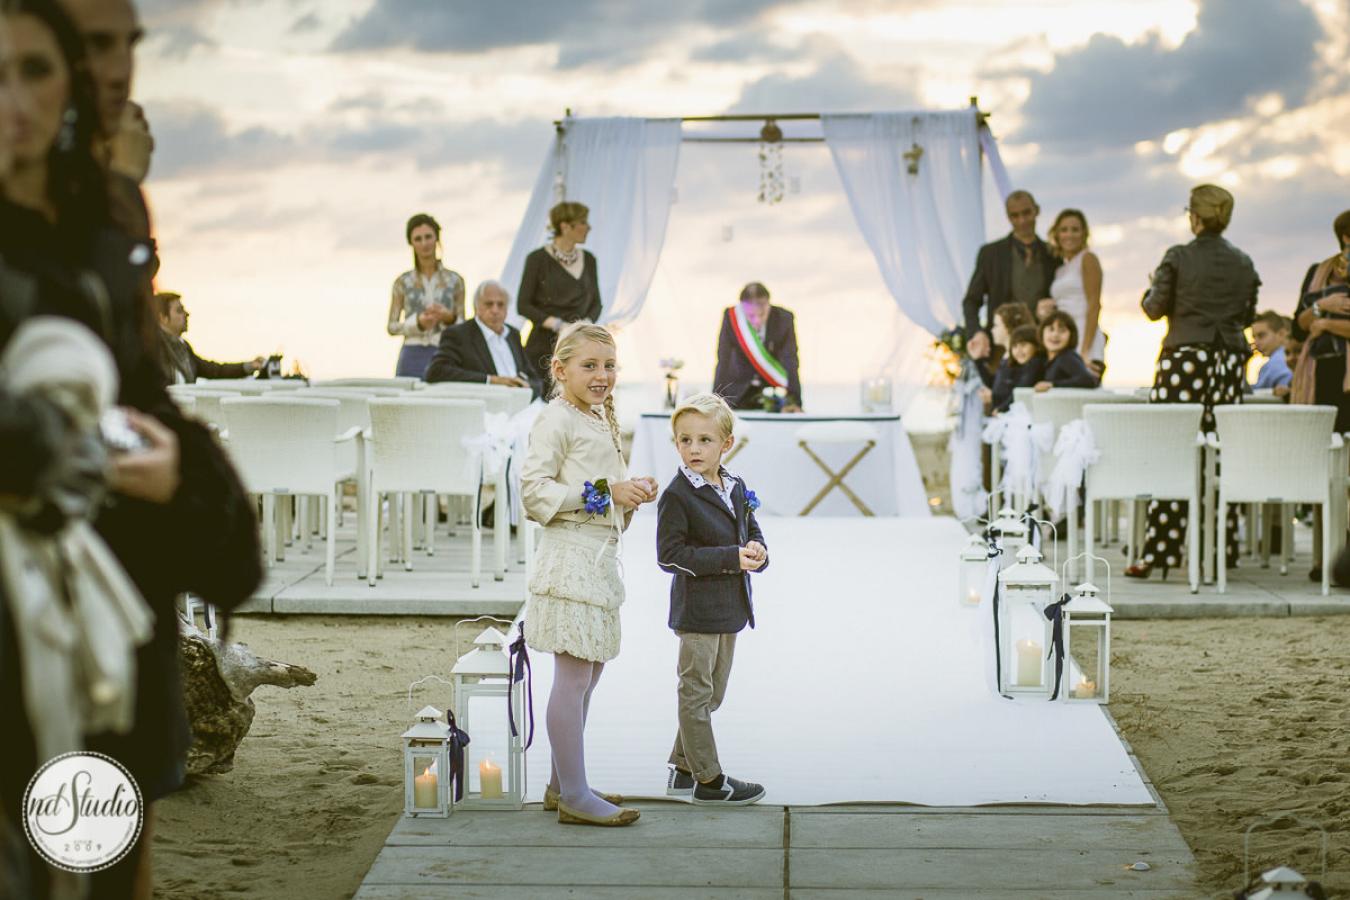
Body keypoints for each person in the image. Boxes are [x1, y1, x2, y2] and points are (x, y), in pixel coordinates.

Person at [4, 6, 263, 898]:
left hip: (114, 583)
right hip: (24, 582)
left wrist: (188, 489)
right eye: (84, 46)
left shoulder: (109, 201)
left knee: (105, 845)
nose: (108, 68)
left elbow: (132, 381)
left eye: (120, 45)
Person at [520, 322, 657, 826]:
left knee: (590, 673)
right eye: (590, 365)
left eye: (609, 365)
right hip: (570, 559)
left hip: (598, 558)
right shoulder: (555, 419)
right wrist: (606, 493)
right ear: (560, 370)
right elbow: (535, 492)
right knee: (573, 676)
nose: (602, 375)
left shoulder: (597, 416)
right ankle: (575, 795)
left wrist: (629, 494)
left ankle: (563, 784)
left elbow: (596, 486)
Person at [1128, 184, 1260, 579]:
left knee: (1172, 451)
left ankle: (1161, 552)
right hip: (1229, 363)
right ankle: (1221, 549)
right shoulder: (1244, 262)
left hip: (1185, 359)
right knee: (1221, 454)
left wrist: (1151, 287)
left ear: (1196, 218)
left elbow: (1154, 309)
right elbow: (1248, 316)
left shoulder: (1179, 256)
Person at [657, 392, 768, 806]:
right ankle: (709, 780)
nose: (694, 449)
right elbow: (670, 556)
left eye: (704, 440)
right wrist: (729, 558)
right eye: (685, 440)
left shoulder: (735, 485)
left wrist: (757, 550)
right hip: (698, 612)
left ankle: (683, 767)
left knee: (712, 694)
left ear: (726, 444)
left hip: (730, 608)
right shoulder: (677, 495)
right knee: (696, 694)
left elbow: (749, 529)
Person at [962, 190, 1059, 359]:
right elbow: (971, 301)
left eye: (1026, 213)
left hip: (1040, 347)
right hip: (1000, 349)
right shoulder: (991, 254)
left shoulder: (1053, 254)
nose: (1022, 220)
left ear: (1036, 210)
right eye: (1015, 216)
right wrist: (977, 333)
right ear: (1008, 217)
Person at [517, 201, 602, 376]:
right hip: (543, 347)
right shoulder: (537, 259)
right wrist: (557, 325)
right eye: (583, 222)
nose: (588, 227)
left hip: (579, 345)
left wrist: (583, 326)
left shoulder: (590, 259)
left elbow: (597, 303)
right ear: (565, 226)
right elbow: (523, 304)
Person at [424, 280, 543, 398]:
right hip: (485, 407)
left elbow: (534, 378)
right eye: (489, 304)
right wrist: (491, 380)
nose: (495, 310)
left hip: (523, 405)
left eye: (500, 304)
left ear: (507, 309)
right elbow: (435, 372)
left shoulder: (513, 334)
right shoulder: (459, 334)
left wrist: (528, 389)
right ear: (476, 307)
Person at [1289, 210, 1350, 430]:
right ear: (1346, 237)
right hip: (1320, 370)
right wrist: (1321, 306)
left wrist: (1326, 324)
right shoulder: (1318, 272)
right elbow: (1298, 329)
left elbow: (1316, 326)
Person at [387, 212, 463, 378]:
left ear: (437, 238)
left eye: (428, 237)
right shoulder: (402, 282)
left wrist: (448, 317)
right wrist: (418, 323)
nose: (424, 243)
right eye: (418, 239)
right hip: (412, 353)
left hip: (445, 352)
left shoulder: (455, 280)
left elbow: (463, 324)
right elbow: (391, 327)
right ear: (411, 243)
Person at [712, 281, 803, 412]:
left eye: (761, 315)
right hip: (737, 392)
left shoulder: (784, 318)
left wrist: (796, 401)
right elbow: (723, 360)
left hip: (772, 393)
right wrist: (715, 402)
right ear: (742, 308)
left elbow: (791, 360)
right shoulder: (731, 317)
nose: (757, 321)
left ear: (768, 305)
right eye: (751, 316)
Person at [1046, 208, 1107, 373]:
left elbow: (1094, 305)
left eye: (1075, 230)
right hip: (1064, 337)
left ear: (1083, 233)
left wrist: (1085, 350)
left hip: (1084, 334)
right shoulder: (1060, 270)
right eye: (1064, 230)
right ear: (1057, 235)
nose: (1069, 235)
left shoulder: (1088, 259)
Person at [157, 291, 265, 383]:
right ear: (163, 317)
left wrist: (249, 366)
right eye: (179, 311)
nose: (186, 314)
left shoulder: (183, 347)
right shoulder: (152, 348)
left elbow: (215, 370)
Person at [973, 302, 1034, 401]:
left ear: (1009, 327)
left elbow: (1017, 392)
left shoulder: (1021, 356)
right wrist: (978, 360)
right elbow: (995, 385)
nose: (992, 330)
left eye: (996, 325)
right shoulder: (1006, 355)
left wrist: (994, 398)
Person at [1034, 311, 1098, 392]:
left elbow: (1088, 380)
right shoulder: (1047, 360)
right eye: (1051, 329)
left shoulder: (1067, 357)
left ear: (1071, 336)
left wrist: (1052, 385)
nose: (1055, 335)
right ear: (1042, 333)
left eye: (1062, 331)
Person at [991, 325, 1045, 412]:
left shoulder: (1036, 363)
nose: (1018, 351)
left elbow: (1021, 389)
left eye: (1023, 345)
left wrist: (1001, 409)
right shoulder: (1021, 366)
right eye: (1015, 346)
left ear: (1037, 345)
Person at [1249, 310, 1292, 391]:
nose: (1256, 343)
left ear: (1281, 334)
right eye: (1254, 337)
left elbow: (1253, 395)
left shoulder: (1276, 361)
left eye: (1261, 336)